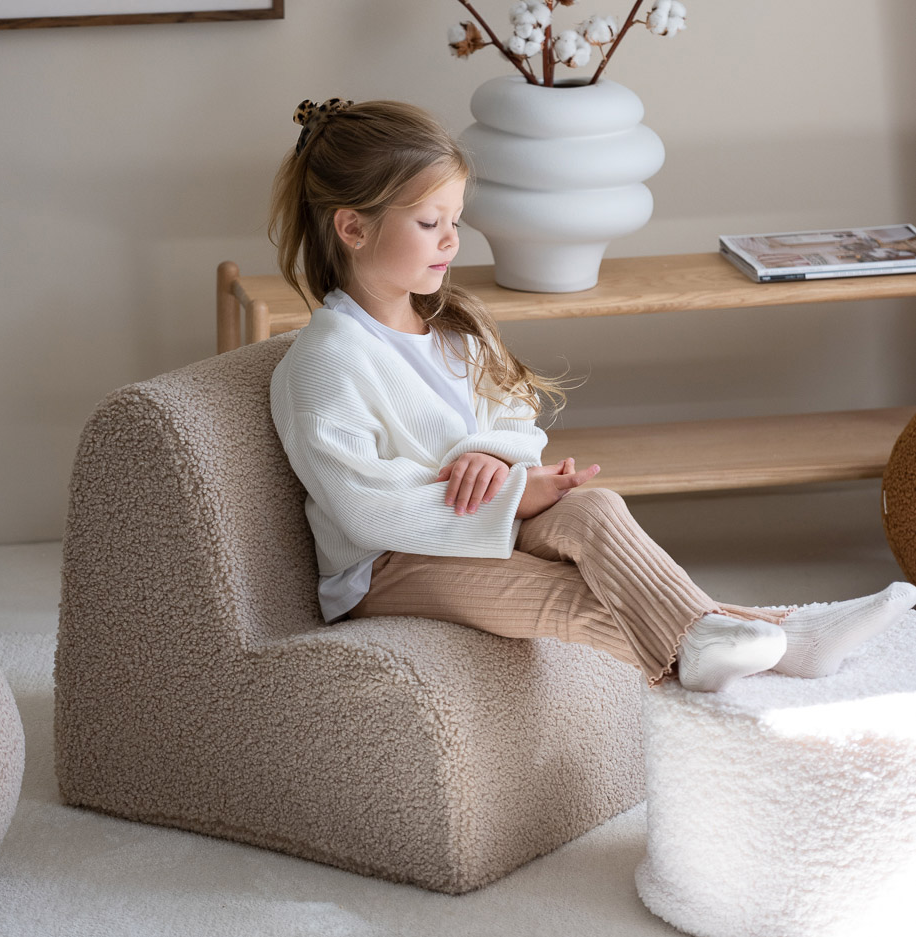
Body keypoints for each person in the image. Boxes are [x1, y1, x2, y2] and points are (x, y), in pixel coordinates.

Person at [268, 97, 915, 692]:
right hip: (385, 568)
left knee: (595, 508)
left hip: (471, 517)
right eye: (429, 221)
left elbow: (514, 414)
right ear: (351, 229)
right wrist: (515, 494)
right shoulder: (326, 360)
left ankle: (754, 637)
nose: (450, 240)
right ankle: (777, 635)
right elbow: (361, 509)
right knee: (562, 590)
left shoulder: (452, 326)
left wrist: (496, 455)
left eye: (455, 221)